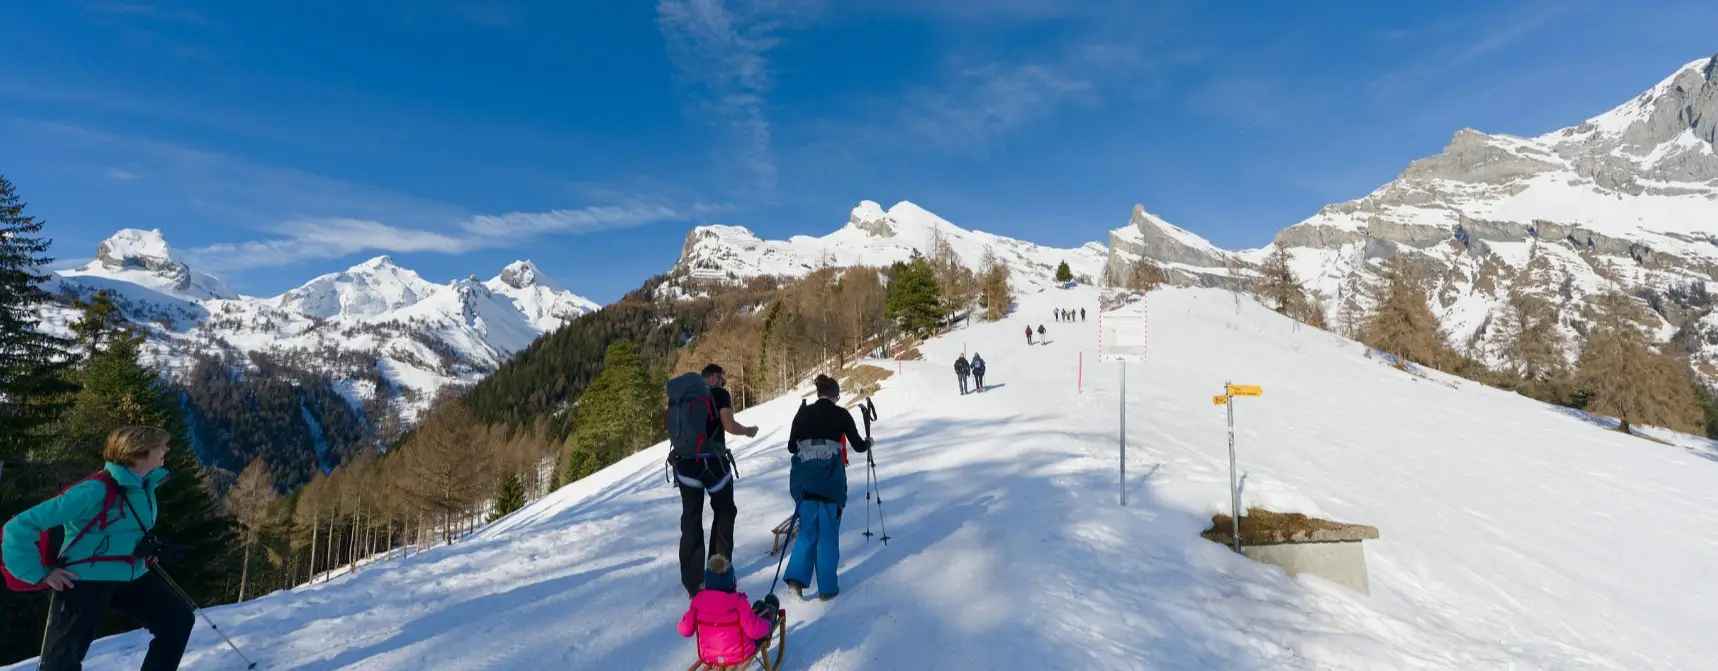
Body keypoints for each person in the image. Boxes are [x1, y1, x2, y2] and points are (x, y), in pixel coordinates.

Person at [2, 426, 194, 671]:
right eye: (160, 446)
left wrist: (144, 550)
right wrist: (40, 573)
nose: (166, 449)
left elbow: (118, 530)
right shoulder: (94, 490)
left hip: (128, 572)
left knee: (177, 620)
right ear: (137, 452)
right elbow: (18, 527)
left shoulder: (144, 486)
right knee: (61, 662)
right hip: (83, 579)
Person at [782, 374, 870, 600]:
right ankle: (827, 588)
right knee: (828, 534)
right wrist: (868, 442)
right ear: (835, 395)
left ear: (819, 393)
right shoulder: (841, 414)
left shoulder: (803, 413)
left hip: (805, 481)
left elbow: (792, 447)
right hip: (831, 481)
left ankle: (795, 582)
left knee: (806, 531)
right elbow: (858, 445)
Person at [675, 363, 759, 599]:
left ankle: (693, 583)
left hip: (685, 464)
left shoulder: (684, 397)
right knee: (724, 511)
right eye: (722, 379)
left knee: (691, 518)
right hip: (713, 464)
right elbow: (729, 425)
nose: (723, 384)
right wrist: (749, 431)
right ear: (713, 377)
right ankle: (717, 574)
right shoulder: (719, 393)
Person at [678, 554, 779, 667]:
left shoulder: (697, 602)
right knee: (764, 615)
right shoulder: (738, 602)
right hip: (740, 653)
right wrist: (768, 625)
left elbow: (685, 630)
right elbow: (754, 631)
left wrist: (687, 617)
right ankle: (769, 610)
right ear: (731, 581)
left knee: (752, 615)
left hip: (709, 654)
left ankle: (758, 610)